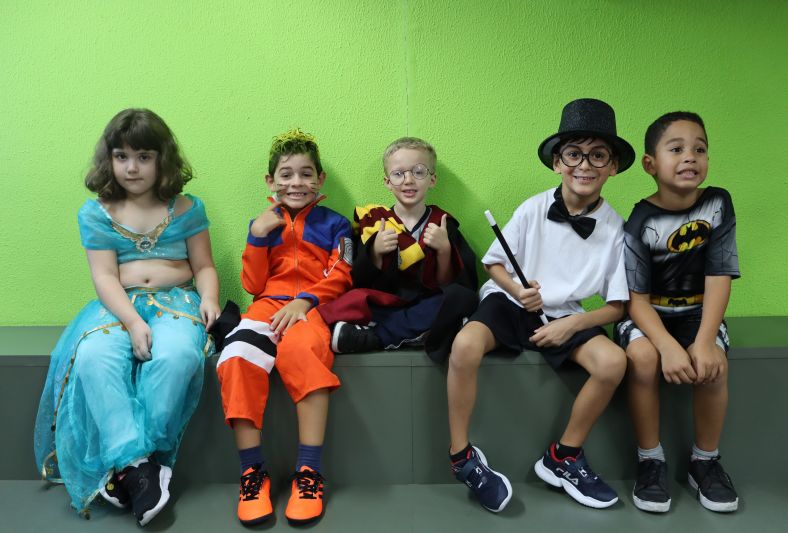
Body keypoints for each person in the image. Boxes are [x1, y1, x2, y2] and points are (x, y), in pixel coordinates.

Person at [33, 108, 220, 525]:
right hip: (119, 304)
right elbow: (104, 276)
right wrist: (133, 323)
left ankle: (132, 465)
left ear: (162, 159)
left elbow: (204, 265)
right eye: (122, 157)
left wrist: (209, 297)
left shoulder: (187, 208)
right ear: (109, 159)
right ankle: (140, 468)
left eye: (143, 157)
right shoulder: (97, 213)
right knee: (94, 357)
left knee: (177, 356)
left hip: (177, 302)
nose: (132, 168)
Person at [447, 99, 633, 512]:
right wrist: (516, 290)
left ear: (613, 166)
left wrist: (571, 325)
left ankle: (564, 456)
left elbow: (617, 307)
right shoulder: (533, 208)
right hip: (509, 302)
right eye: (574, 154)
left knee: (613, 363)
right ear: (557, 162)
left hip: (564, 313)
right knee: (464, 345)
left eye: (598, 155)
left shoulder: (616, 229)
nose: (585, 165)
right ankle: (461, 456)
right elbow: (494, 265)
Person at [215, 129, 352, 526]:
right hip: (266, 308)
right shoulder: (260, 224)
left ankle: (309, 473)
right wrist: (257, 237)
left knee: (301, 351)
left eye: (306, 174)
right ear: (270, 181)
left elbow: (342, 274)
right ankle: (252, 473)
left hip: (311, 309)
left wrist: (305, 300)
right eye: (286, 174)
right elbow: (253, 285)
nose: (297, 183)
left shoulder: (337, 224)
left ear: (320, 179)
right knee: (236, 355)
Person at [617, 111, 740, 513]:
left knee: (714, 364)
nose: (690, 156)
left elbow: (719, 275)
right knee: (643, 358)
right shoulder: (641, 220)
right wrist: (668, 346)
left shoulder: (717, 202)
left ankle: (705, 461)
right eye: (676, 149)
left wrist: (704, 342)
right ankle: (650, 459)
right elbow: (635, 299)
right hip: (647, 313)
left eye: (699, 149)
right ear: (650, 164)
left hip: (697, 313)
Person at [321, 137, 477, 362]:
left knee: (461, 298)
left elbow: (451, 281)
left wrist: (444, 250)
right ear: (387, 181)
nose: (408, 180)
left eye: (419, 172)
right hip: (388, 301)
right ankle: (423, 332)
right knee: (351, 299)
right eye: (398, 174)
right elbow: (361, 279)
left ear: (432, 179)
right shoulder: (375, 221)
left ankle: (375, 337)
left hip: (428, 301)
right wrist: (375, 252)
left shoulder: (442, 223)